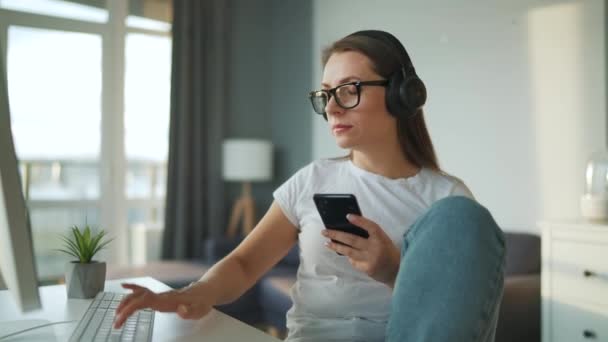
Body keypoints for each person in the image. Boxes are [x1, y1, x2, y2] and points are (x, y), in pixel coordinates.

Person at [113, 30, 505, 342]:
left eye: (349, 90)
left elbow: (458, 313)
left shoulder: (448, 204)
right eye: (326, 94)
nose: (332, 107)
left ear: (402, 94)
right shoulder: (312, 179)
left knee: (464, 219)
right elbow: (245, 262)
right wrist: (195, 293)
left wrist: (392, 270)